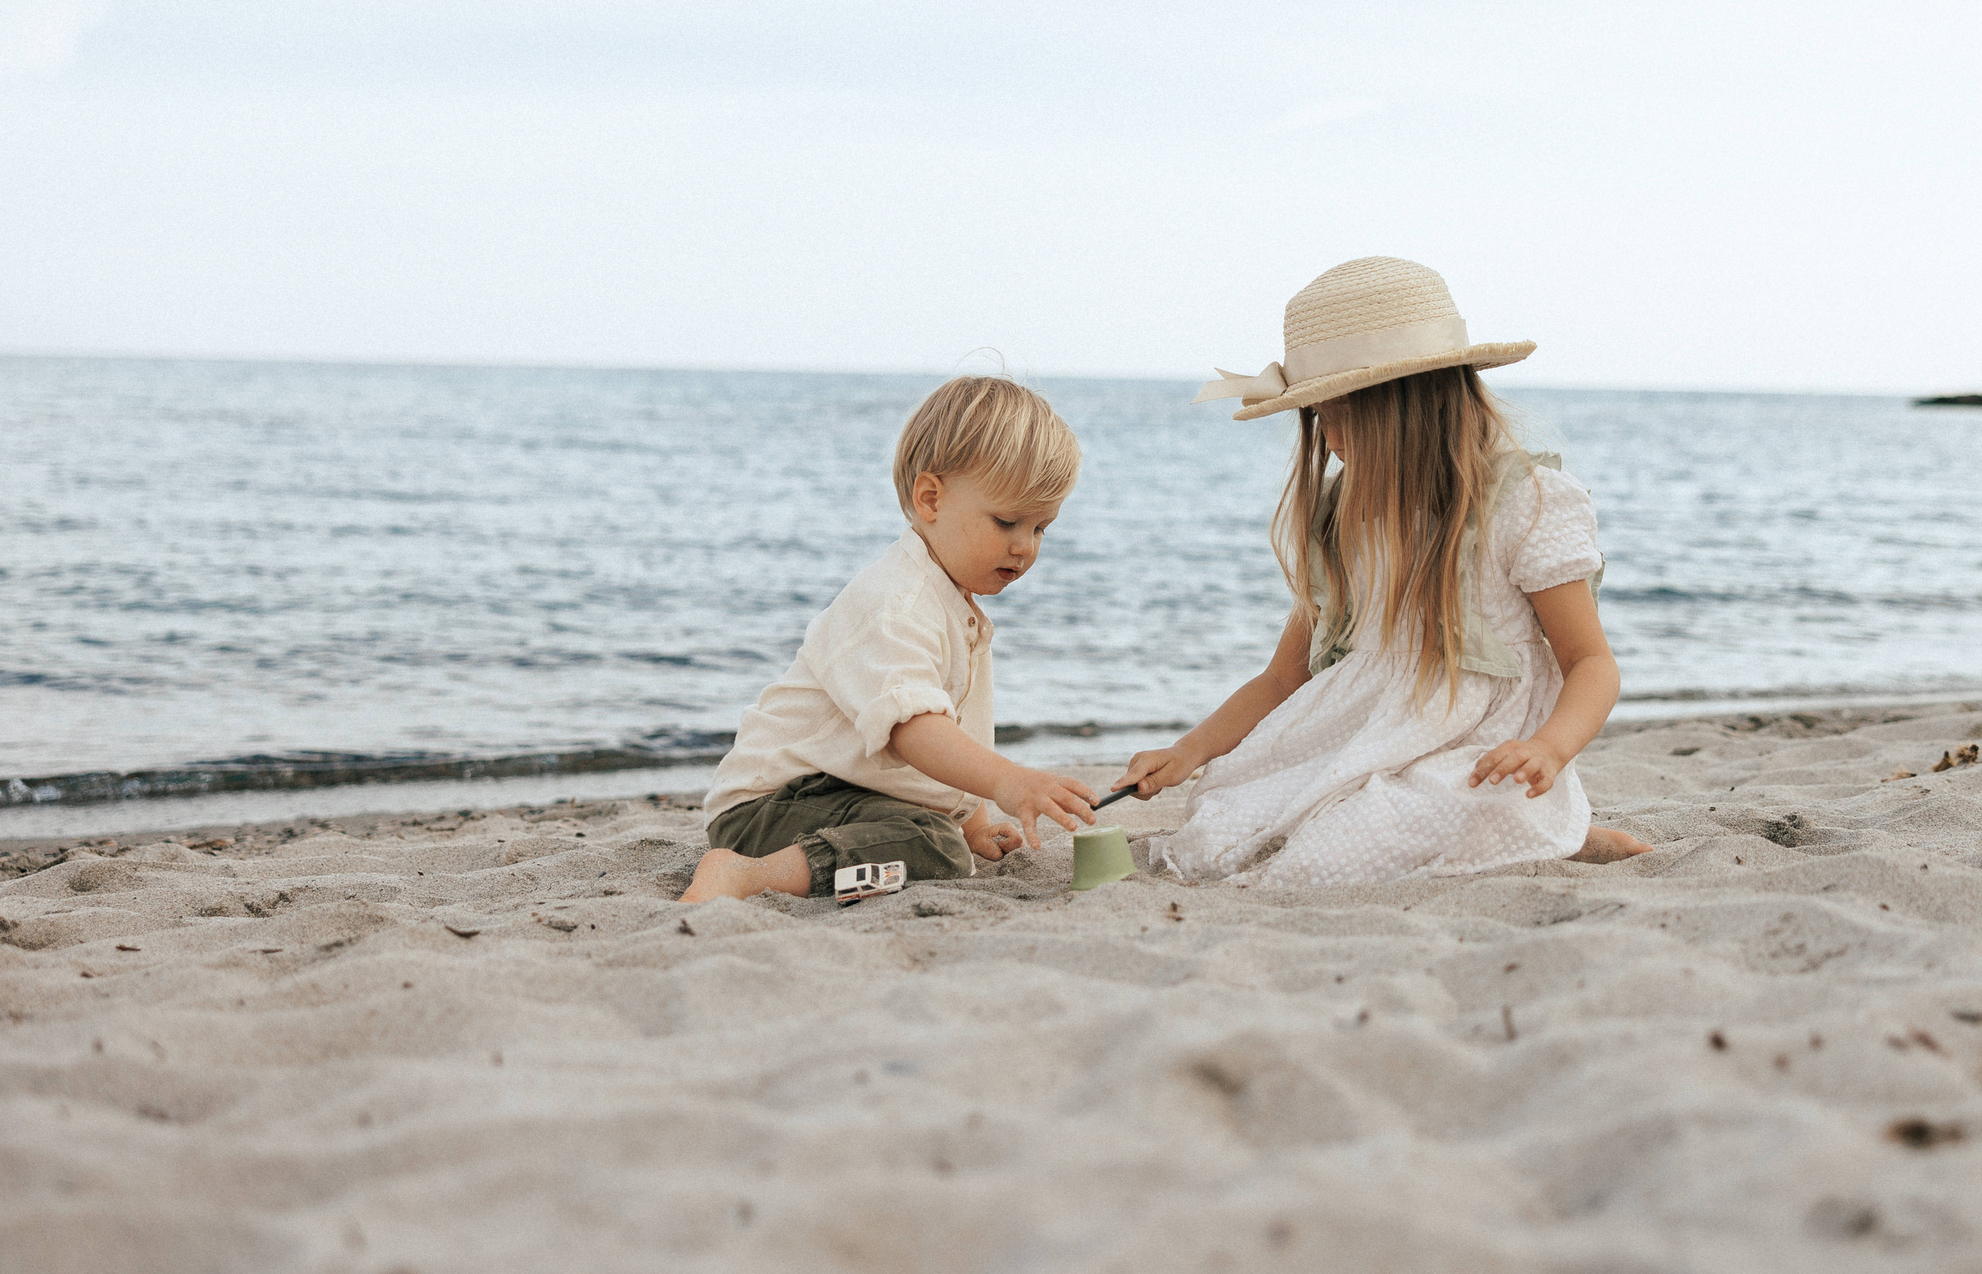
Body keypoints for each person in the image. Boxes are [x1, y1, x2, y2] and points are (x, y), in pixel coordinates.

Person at [1122, 256, 1651, 886]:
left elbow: (1591, 663)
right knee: (1223, 821)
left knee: (1347, 849)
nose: (1335, 443)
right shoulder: (1344, 515)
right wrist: (1186, 753)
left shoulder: (1522, 501)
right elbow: (1283, 676)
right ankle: (1529, 839)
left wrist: (1550, 748)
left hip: (1470, 748)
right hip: (1358, 733)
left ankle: (1549, 834)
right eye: (1323, 421)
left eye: (1348, 419)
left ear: (1418, 407)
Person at [680, 376, 1099, 903]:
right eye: (1007, 521)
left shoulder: (951, 598)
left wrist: (973, 820)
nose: (1024, 547)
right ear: (930, 499)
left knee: (943, 843)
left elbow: (949, 735)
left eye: (1041, 529)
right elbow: (912, 731)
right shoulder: (896, 601)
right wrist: (1007, 781)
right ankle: (744, 876)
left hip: (843, 796)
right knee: (935, 849)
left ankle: (867, 855)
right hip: (768, 808)